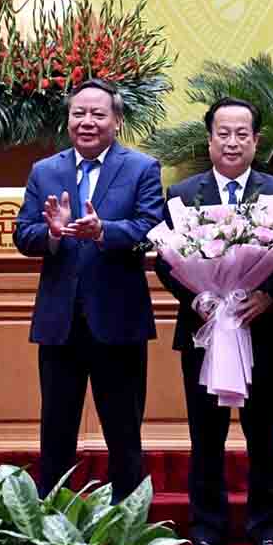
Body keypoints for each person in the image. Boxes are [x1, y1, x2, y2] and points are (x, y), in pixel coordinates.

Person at [155, 97, 273, 545]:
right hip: (204, 330)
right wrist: (197, 299)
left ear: (256, 140)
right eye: (223, 133)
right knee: (206, 437)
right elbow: (165, 259)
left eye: (242, 134)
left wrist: (270, 295)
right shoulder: (182, 193)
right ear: (209, 138)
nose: (232, 142)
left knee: (265, 436)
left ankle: (267, 534)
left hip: (261, 331)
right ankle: (206, 536)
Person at [12, 78, 166, 500]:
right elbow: (23, 235)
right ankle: (51, 527)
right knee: (56, 433)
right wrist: (54, 234)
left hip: (119, 322)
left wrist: (104, 232)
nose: (87, 122)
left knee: (124, 436)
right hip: (60, 324)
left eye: (98, 114)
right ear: (68, 119)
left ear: (116, 120)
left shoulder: (141, 169)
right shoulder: (45, 171)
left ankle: (126, 532)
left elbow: (151, 230)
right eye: (79, 113)